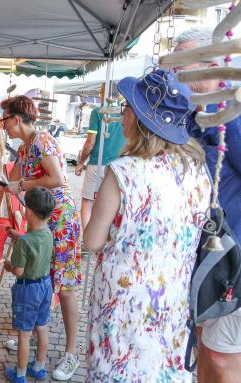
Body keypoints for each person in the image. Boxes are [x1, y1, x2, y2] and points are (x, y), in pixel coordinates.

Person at [84, 69, 210, 382]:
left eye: (127, 108)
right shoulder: (198, 172)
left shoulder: (123, 172)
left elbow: (92, 241)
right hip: (171, 302)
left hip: (124, 304)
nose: (122, 115)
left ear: (141, 119)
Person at [173, 27, 241, 383]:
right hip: (204, 260)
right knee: (203, 348)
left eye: (185, 67)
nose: (178, 75)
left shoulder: (231, 110)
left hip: (232, 260)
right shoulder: (190, 114)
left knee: (222, 357)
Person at [0, 95, 82, 381]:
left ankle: (71, 353)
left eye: (4, 120)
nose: (3, 126)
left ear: (16, 119)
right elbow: (10, 183)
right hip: (42, 220)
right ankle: (34, 342)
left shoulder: (42, 140)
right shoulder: (24, 148)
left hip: (60, 220)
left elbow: (57, 178)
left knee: (64, 286)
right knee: (41, 280)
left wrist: (21, 185)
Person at [4, 186, 55, 383]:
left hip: (28, 289)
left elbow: (18, 270)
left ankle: (20, 374)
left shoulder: (24, 243)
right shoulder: (49, 233)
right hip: (45, 285)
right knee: (42, 327)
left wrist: (8, 265)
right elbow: (40, 248)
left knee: (24, 334)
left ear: (28, 212)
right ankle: (39, 367)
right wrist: (21, 237)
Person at [74, 83, 126, 230]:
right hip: (119, 166)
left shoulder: (98, 112)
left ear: (103, 93)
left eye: (100, 92)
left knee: (88, 202)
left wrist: (80, 162)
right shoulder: (125, 112)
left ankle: (88, 241)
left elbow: (90, 142)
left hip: (98, 163)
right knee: (112, 203)